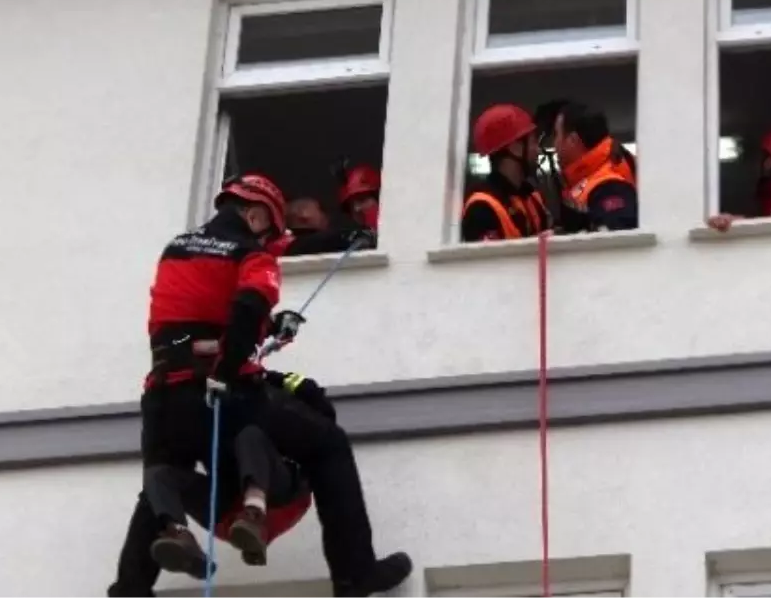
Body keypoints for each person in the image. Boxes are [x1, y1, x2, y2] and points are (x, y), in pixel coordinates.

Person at [125, 172, 410, 598]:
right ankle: (355, 574)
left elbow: (199, 315)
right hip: (226, 393)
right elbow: (248, 302)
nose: (272, 242)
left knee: (161, 482)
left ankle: (129, 590)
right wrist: (228, 367)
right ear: (255, 214)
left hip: (164, 396)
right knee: (327, 445)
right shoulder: (250, 256)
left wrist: (266, 329)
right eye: (270, 230)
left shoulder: (176, 249)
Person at [109, 381, 318, 597]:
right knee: (158, 475)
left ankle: (254, 513)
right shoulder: (203, 412)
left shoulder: (265, 400)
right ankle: (179, 535)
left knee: (251, 436)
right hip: (229, 512)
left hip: (279, 498)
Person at [460, 104, 552, 242]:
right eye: (533, 142)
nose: (538, 151)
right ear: (515, 148)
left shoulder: (533, 199)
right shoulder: (481, 209)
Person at [549, 101, 639, 233]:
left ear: (573, 141)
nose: (554, 144)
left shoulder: (609, 187)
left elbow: (616, 246)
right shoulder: (589, 180)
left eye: (556, 134)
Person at [706, 127, 771, 232]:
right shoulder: (762, 194)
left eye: (770, 156)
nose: (767, 163)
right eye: (765, 156)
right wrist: (733, 222)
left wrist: (739, 223)